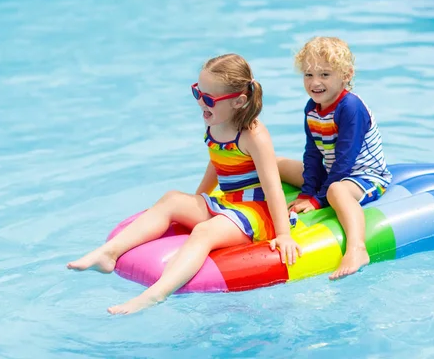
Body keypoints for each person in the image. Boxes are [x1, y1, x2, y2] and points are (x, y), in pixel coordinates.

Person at [68, 54, 302, 315]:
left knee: (203, 232)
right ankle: (108, 254)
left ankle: (155, 294)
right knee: (171, 199)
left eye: (210, 99)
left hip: (256, 211)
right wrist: (198, 200)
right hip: (229, 203)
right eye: (197, 93)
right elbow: (217, 161)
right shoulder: (215, 121)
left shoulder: (253, 135)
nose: (201, 103)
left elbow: (272, 187)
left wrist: (283, 235)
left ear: (239, 101)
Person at [277, 37, 392, 280]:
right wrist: (307, 193)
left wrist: (317, 201)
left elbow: (345, 161)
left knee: (336, 191)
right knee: (276, 164)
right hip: (332, 172)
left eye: (325, 75)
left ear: (346, 75)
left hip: (364, 175)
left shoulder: (351, 107)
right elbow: (312, 153)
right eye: (308, 75)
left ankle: (357, 249)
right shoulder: (312, 107)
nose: (315, 82)